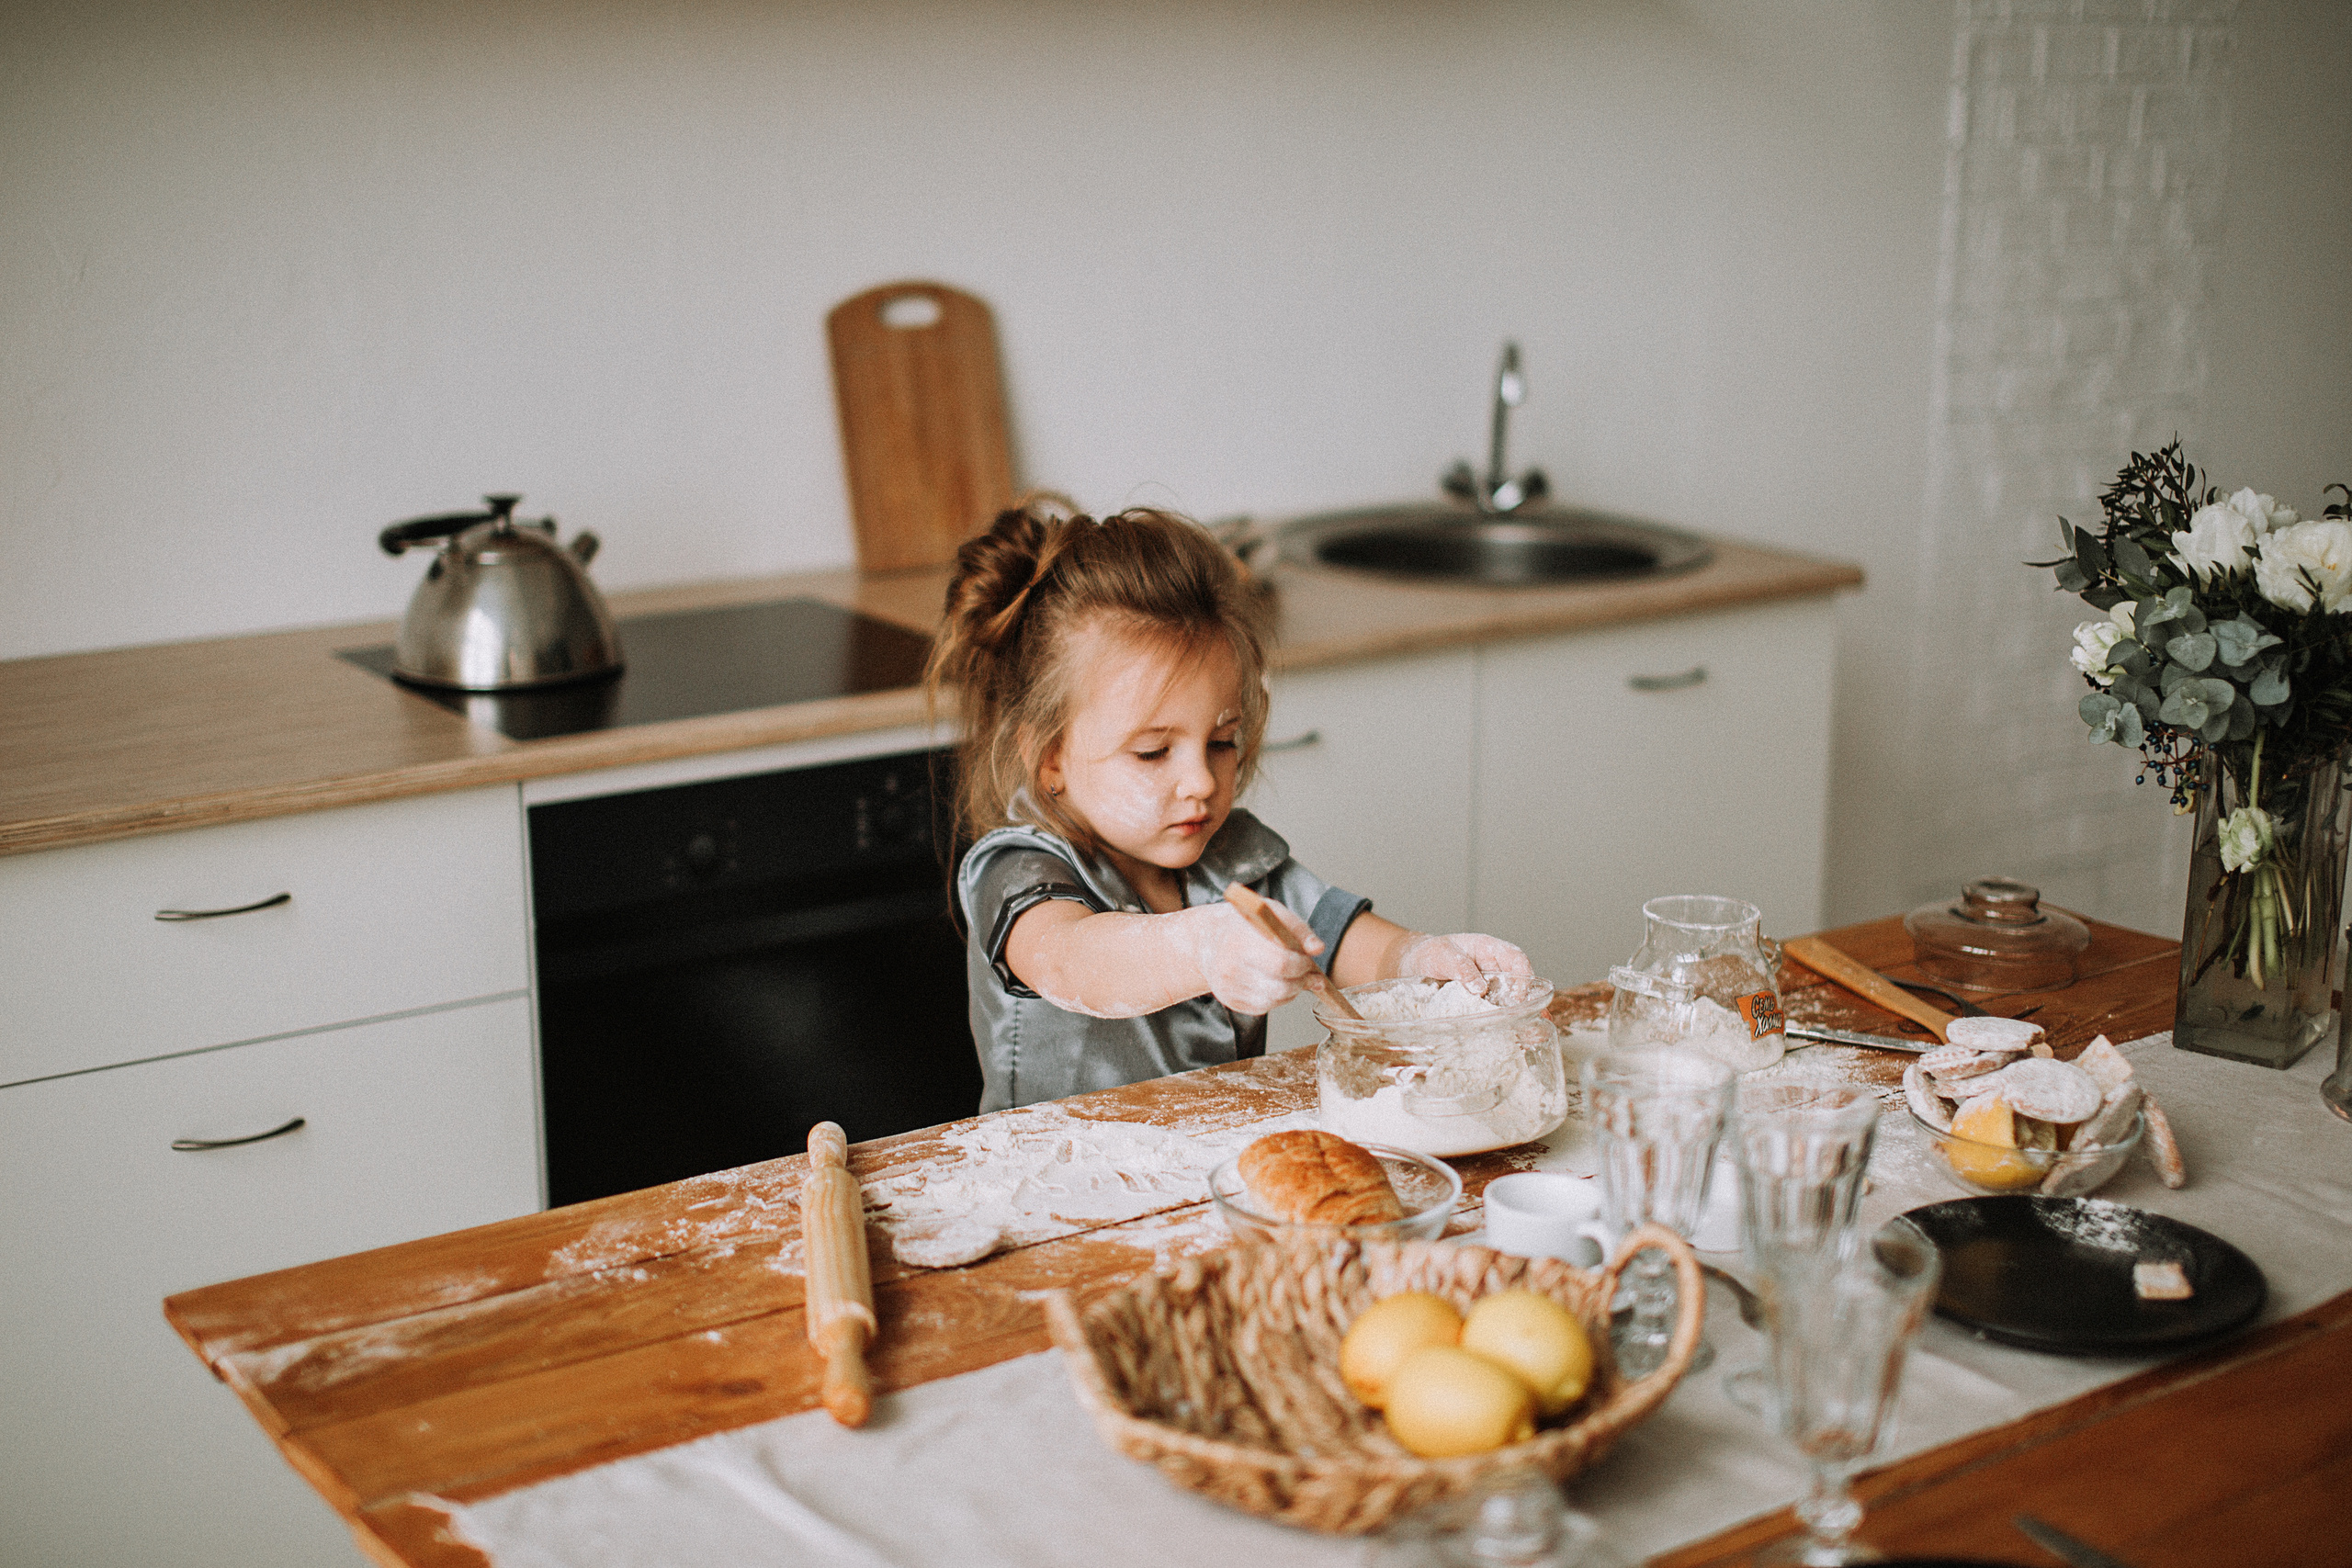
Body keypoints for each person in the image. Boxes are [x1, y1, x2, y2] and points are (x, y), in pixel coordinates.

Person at [926, 498, 1532, 1112]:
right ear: (1049, 757)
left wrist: (1423, 960)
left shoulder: (1234, 857)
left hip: (1212, 1155)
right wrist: (1202, 947)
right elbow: (1073, 961)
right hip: (1048, 1167)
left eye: (1221, 741)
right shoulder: (1018, 870)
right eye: (1153, 752)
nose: (1201, 781)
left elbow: (1342, 940)